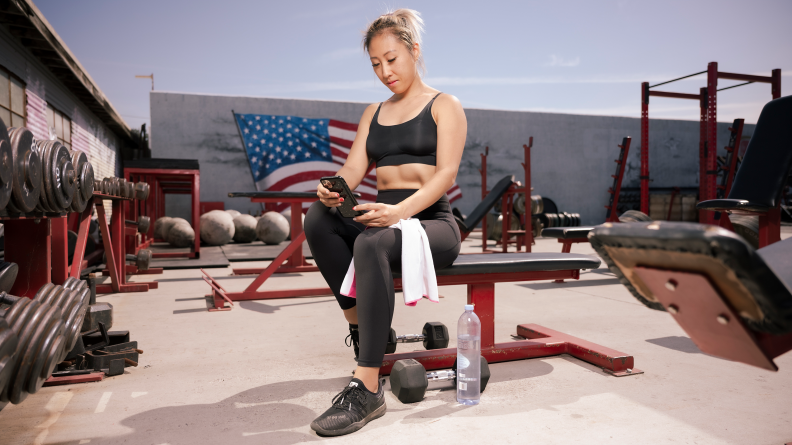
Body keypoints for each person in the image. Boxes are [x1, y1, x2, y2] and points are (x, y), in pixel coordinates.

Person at [303, 8, 466, 436]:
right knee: (318, 218)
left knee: (372, 243)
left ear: (413, 50)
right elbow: (354, 169)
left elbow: (446, 174)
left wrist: (400, 212)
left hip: (431, 223)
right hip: (384, 222)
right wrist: (333, 188)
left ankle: (368, 386)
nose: (384, 71)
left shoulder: (444, 105)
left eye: (391, 59)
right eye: (376, 64)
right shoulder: (373, 112)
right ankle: (364, 335)